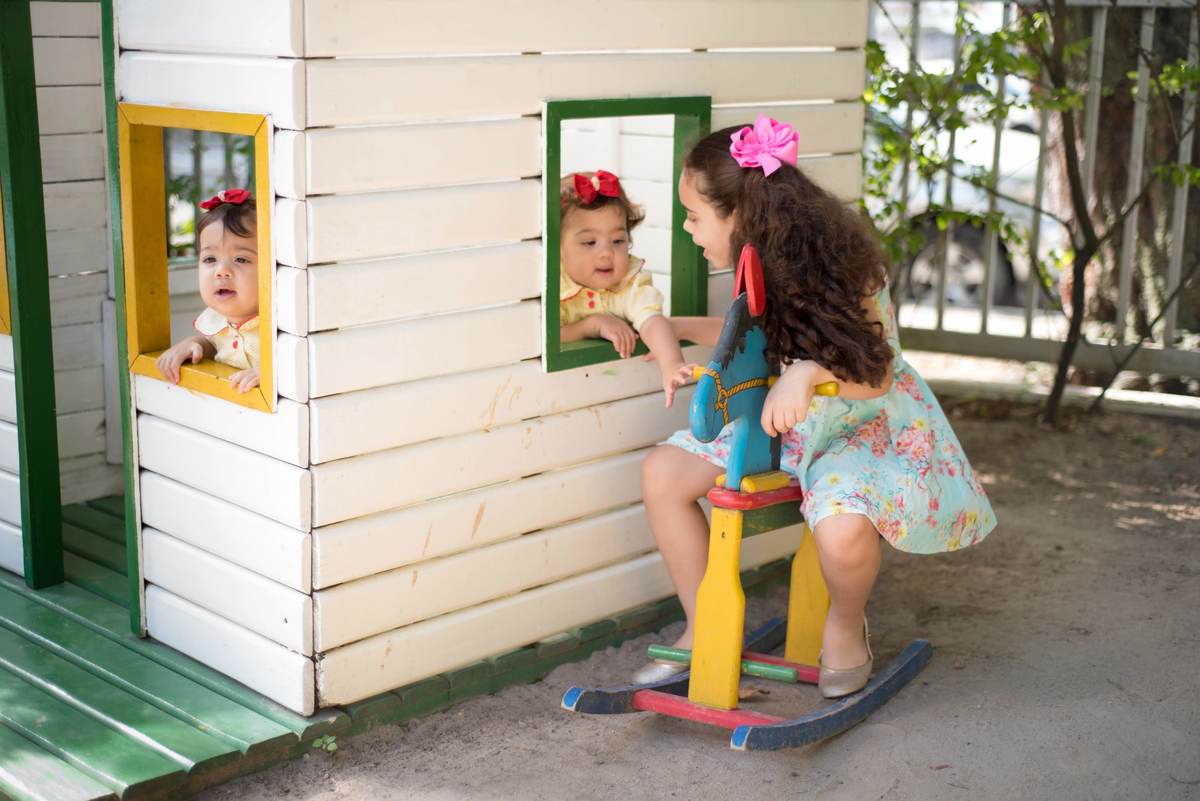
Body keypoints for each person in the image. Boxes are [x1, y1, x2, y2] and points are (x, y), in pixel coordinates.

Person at [638, 116, 997, 696]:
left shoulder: (843, 266)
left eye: (695, 216)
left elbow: (875, 375)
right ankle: (703, 623)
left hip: (861, 424)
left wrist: (807, 371)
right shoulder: (760, 263)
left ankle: (845, 623)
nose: (688, 228)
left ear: (742, 216)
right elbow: (752, 332)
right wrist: (673, 326)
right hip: (789, 426)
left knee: (842, 527)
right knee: (662, 473)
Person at [559, 170, 687, 405]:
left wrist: (671, 363)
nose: (607, 253)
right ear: (557, 246)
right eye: (589, 243)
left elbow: (652, 321)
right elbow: (545, 338)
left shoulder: (629, 283)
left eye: (618, 241)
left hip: (617, 400)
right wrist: (592, 325)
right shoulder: (552, 288)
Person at [155, 189, 261, 394]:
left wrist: (277, 373)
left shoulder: (284, 326)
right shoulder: (216, 320)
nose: (221, 271)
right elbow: (219, 343)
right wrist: (197, 343)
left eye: (241, 259)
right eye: (210, 259)